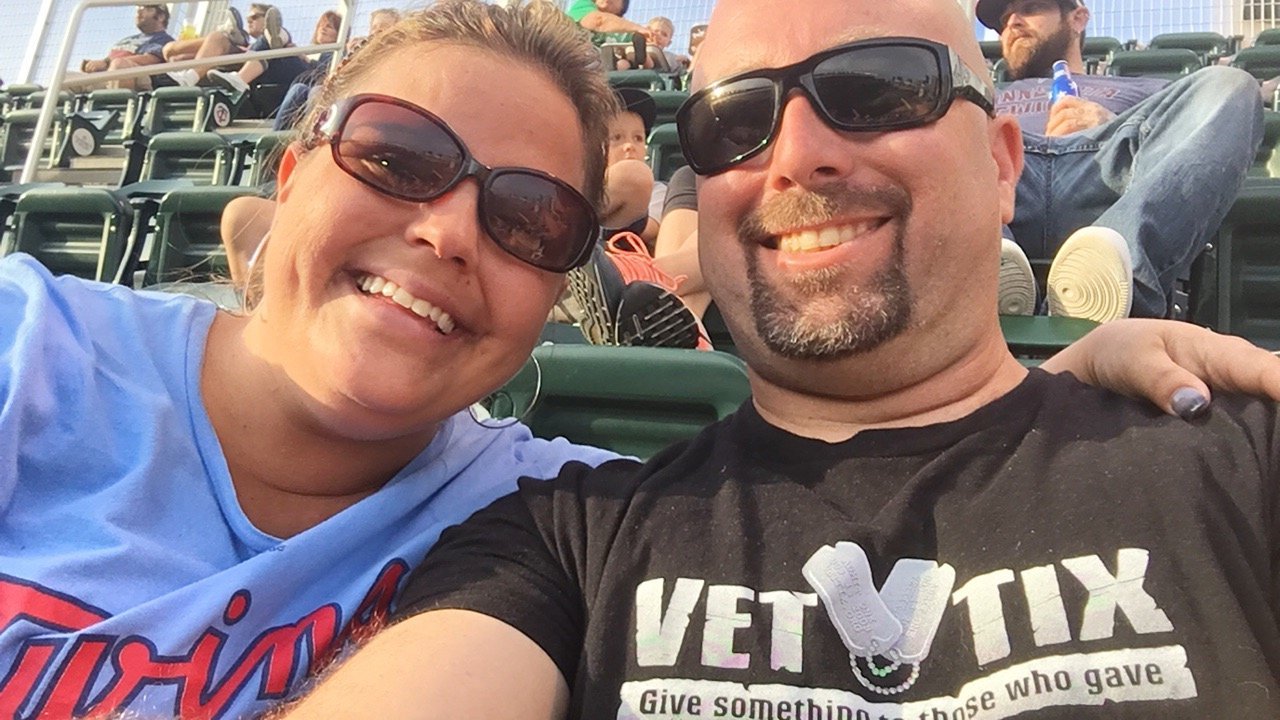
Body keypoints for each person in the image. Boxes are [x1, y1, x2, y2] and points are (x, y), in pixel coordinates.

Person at [273, 0, 1280, 717]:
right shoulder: (563, 542)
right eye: (734, 122)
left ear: (1002, 161)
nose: (794, 155)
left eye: (875, 90)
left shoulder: (1232, 454)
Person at [0, 3, 622, 718]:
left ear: (553, 293)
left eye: (529, 220)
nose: (448, 233)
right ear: (291, 176)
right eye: (396, 158)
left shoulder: (576, 519)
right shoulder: (30, 342)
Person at [979, 0, 1263, 322]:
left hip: (1113, 171)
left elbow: (1182, 143)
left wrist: (1108, 121)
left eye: (1031, 8)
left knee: (1230, 84)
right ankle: (985, 265)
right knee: (949, 114)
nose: (1012, 23)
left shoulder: (1144, 88)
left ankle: (1114, 266)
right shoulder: (985, 91)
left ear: (1078, 18)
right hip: (1006, 174)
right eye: (1004, 21)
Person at [76, 4, 174, 91]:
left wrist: (106, 63)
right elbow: (108, 61)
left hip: (137, 77)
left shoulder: (164, 40)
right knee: (70, 78)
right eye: (139, 7)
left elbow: (150, 60)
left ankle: (119, 104)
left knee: (120, 65)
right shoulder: (127, 39)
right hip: (107, 76)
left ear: (161, 17)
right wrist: (92, 66)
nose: (139, 11)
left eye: (146, 8)